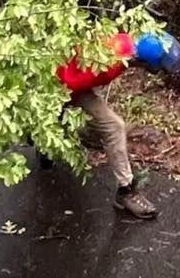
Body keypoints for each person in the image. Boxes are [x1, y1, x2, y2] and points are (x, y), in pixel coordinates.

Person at [56, 32, 158, 219]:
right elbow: (71, 83)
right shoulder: (113, 60)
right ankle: (126, 193)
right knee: (114, 126)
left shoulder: (121, 44)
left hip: (75, 78)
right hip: (57, 82)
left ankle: (124, 187)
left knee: (107, 124)